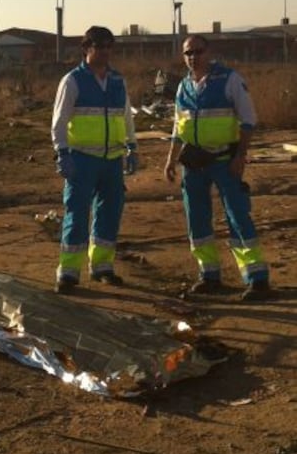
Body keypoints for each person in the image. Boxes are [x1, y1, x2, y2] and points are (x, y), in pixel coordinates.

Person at [164, 34, 270, 301]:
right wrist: (170, 159)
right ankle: (208, 274)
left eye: (197, 52)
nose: (193, 57)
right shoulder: (183, 87)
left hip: (225, 160)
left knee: (237, 215)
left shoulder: (230, 80)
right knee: (197, 218)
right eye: (188, 53)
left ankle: (256, 277)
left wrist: (240, 157)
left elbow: (248, 120)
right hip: (194, 164)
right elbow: (178, 126)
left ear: (208, 51)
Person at [51, 25, 138, 294]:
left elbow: (125, 116)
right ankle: (68, 272)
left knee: (109, 214)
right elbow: (59, 121)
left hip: (112, 159)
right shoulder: (73, 80)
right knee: (76, 215)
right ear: (87, 48)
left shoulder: (117, 81)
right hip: (82, 159)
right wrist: (62, 152)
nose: (105, 51)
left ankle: (102, 267)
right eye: (99, 46)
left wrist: (132, 146)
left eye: (109, 46)